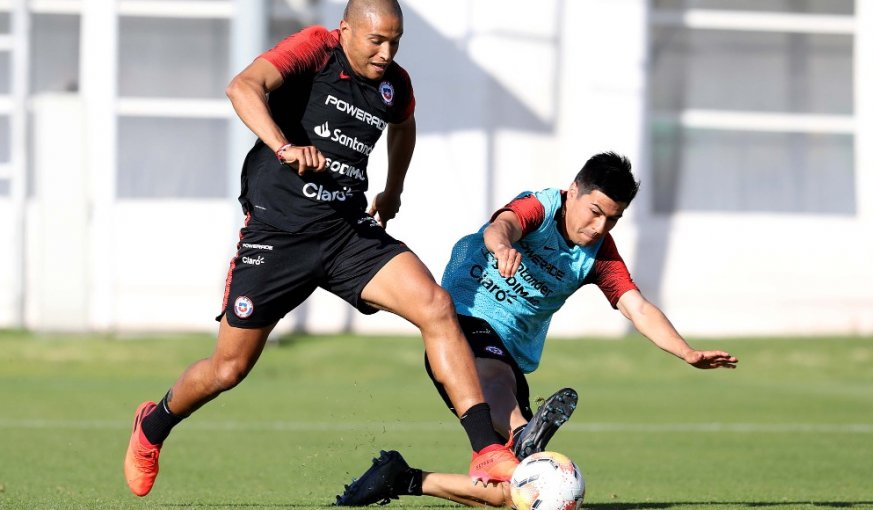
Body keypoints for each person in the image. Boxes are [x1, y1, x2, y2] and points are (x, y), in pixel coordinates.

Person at [123, 0, 519, 497]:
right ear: (346, 30)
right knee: (228, 368)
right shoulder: (315, 49)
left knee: (436, 306)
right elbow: (241, 87)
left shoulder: (395, 83)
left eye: (395, 41)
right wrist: (284, 146)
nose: (386, 52)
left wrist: (393, 188)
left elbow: (404, 123)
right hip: (279, 235)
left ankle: (487, 449)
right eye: (376, 40)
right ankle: (152, 426)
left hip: (347, 231)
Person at [335, 151, 739, 507]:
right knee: (490, 376)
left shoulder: (598, 254)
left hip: (511, 354)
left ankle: (403, 478)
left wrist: (685, 351)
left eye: (612, 220)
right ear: (574, 190)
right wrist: (502, 247)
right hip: (464, 317)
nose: (600, 227)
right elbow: (502, 225)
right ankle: (521, 430)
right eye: (595, 211)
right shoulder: (541, 208)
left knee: (520, 492)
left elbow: (638, 307)